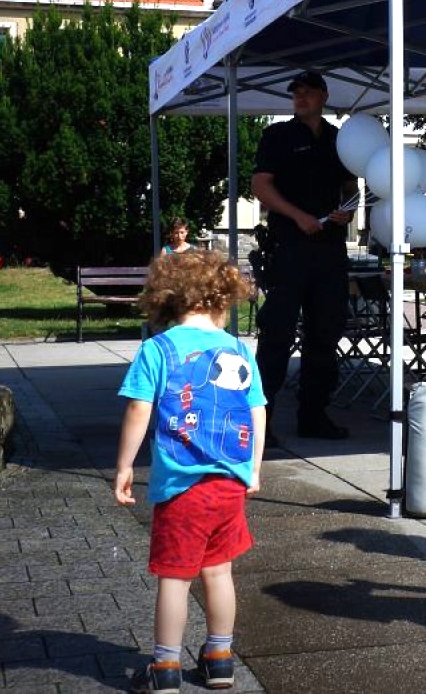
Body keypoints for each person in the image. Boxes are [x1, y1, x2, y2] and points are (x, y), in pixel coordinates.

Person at [114, 250, 265, 692]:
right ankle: (219, 659)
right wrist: (252, 469)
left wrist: (124, 465)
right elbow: (257, 413)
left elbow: (139, 410)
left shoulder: (156, 350)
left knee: (176, 578)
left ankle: (165, 668)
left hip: (182, 486)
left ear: (167, 299)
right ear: (223, 298)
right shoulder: (238, 349)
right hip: (229, 485)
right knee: (219, 572)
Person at [249, 70, 357, 442]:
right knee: (277, 332)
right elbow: (260, 185)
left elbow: (350, 186)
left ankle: (314, 414)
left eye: (308, 92)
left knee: (325, 332)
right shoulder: (277, 136)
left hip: (329, 249)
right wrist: (298, 217)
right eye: (297, 93)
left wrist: (348, 210)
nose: (301, 98)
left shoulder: (338, 139)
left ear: (324, 96)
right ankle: (262, 419)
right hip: (289, 246)